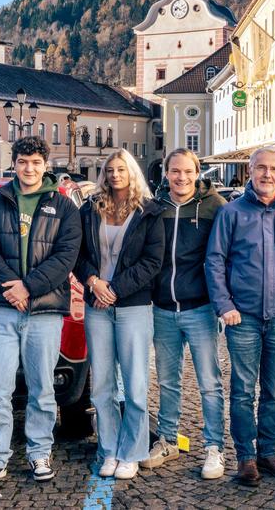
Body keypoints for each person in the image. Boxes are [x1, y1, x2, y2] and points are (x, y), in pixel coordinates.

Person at [0, 136, 82, 487]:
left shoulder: (64, 208)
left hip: (45, 311)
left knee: (42, 388)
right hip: (3, 309)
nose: (29, 168)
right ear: (14, 164)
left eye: (35, 162)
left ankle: (38, 452)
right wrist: (11, 287)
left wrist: (28, 287)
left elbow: (66, 256)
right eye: (23, 162)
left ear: (45, 165)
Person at [205, 147, 275, 487]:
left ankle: (268, 452)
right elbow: (215, 261)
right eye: (261, 168)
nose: (267, 174)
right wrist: (225, 305)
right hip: (244, 317)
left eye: (274, 169)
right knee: (241, 391)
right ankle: (245, 458)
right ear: (250, 171)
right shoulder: (232, 212)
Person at [74, 149, 164, 480]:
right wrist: (95, 282)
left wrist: (113, 290)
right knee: (102, 386)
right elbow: (78, 254)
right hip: (96, 304)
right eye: (109, 169)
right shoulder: (90, 208)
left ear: (132, 172)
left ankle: (133, 451)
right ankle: (109, 449)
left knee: (136, 383)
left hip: (133, 306)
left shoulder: (149, 211)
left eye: (121, 169)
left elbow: (152, 262)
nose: (114, 174)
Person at [144, 148, 227, 479]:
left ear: (198, 172)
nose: (181, 177)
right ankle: (167, 440)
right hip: (163, 307)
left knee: (209, 381)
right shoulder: (154, 207)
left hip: (200, 307)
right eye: (175, 171)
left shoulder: (214, 206)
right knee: (167, 380)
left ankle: (214, 447)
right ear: (166, 173)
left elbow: (225, 254)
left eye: (188, 172)